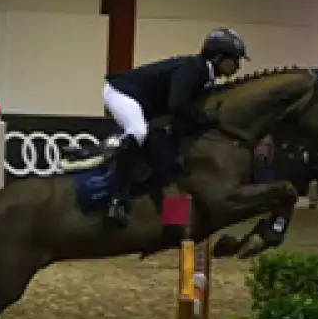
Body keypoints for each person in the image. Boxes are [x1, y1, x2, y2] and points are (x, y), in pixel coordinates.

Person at [99, 28, 250, 226]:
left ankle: (173, 221)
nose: (238, 66)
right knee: (138, 132)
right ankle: (116, 199)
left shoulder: (205, 75)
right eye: (235, 60)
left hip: (146, 104)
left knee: (170, 167)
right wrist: (203, 116)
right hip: (121, 93)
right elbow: (176, 105)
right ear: (218, 57)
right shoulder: (193, 68)